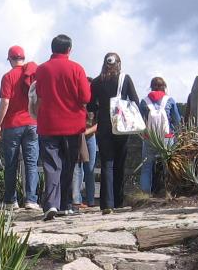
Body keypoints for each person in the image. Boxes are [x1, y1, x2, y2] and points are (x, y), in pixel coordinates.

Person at [34, 34, 91, 220]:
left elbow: (40, 94)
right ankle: (66, 204)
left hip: (48, 123)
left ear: (52, 49)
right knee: (69, 164)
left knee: (51, 165)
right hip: (73, 125)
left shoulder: (41, 70)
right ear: (69, 49)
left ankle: (51, 204)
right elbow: (85, 98)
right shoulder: (77, 69)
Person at [89, 52, 138, 214]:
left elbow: (90, 106)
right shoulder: (125, 79)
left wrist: (100, 108)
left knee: (106, 164)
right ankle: (118, 201)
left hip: (104, 125)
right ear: (119, 63)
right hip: (121, 125)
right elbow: (135, 101)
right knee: (119, 163)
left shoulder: (96, 82)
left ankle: (107, 203)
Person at [0, 45, 40, 211]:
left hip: (13, 125)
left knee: (11, 163)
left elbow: (5, 101)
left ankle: (10, 200)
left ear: (10, 59)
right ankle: (31, 200)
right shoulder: (33, 74)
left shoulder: (8, 77)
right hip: (32, 123)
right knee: (31, 163)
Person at [138, 77, 182, 193]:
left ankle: (145, 194)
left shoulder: (144, 101)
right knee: (168, 166)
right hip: (167, 138)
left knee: (146, 167)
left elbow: (138, 121)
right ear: (164, 87)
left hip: (150, 138)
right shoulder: (170, 100)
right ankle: (169, 192)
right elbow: (177, 121)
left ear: (151, 87)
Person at [72, 105, 98, 208]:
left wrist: (87, 131)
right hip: (77, 134)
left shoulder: (95, 105)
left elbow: (99, 123)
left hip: (90, 136)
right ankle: (77, 200)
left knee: (90, 169)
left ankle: (91, 200)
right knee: (77, 168)